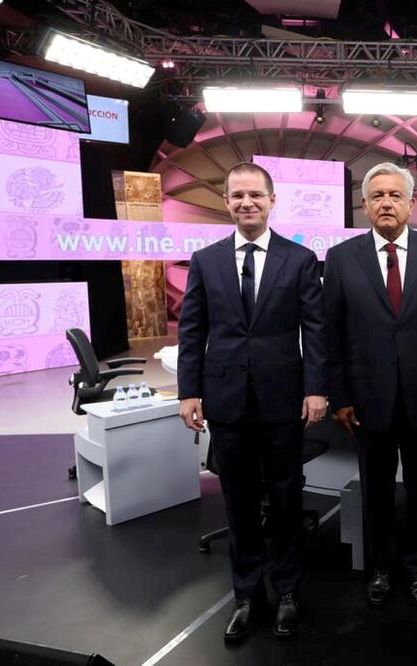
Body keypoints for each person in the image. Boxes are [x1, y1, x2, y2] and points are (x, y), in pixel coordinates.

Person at [177, 161, 328, 641]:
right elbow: (192, 331)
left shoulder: (300, 260)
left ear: (271, 201)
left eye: (255, 195)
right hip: (226, 402)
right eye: (237, 195)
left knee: (285, 499)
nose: (247, 203)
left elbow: (316, 331)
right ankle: (245, 595)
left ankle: (287, 592)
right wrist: (189, 391)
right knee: (239, 503)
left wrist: (317, 387)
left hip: (283, 402)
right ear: (227, 201)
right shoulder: (206, 260)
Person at [323, 162, 417, 606]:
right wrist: (341, 397)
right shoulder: (341, 258)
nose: (386, 202)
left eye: (395, 195)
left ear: (411, 203)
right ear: (365, 205)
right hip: (367, 401)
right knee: (376, 492)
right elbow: (333, 334)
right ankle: (381, 567)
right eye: (377, 195)